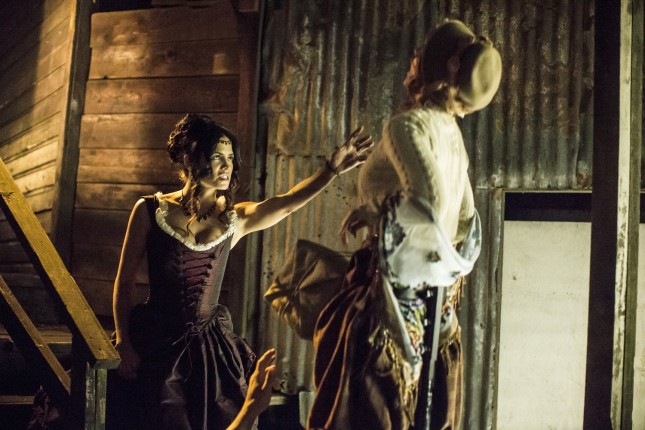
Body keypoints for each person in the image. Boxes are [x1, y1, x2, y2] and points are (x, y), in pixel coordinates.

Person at [107, 113, 373, 430]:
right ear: (190, 158)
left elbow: (287, 203)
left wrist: (330, 170)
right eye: (217, 156)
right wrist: (123, 341)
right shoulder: (150, 210)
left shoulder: (235, 219)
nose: (226, 166)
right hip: (157, 341)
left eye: (230, 158)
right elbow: (124, 282)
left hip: (209, 349)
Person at [308, 20, 502, 430]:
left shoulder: (409, 126)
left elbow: (429, 200)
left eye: (419, 55)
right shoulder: (452, 134)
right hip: (434, 303)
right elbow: (466, 220)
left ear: (437, 65)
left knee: (337, 351)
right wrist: (439, 267)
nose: (412, 62)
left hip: (389, 294)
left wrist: (378, 213)